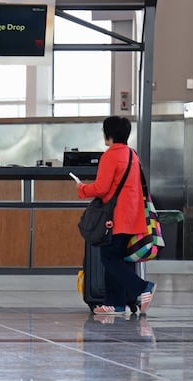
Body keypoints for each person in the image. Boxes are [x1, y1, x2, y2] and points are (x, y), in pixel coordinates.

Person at [77, 116, 157, 315]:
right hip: (133, 216)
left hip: (116, 217)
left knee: (109, 258)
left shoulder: (110, 156)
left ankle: (143, 287)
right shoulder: (132, 154)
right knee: (119, 259)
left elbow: (101, 188)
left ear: (108, 133)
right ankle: (116, 303)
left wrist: (82, 188)